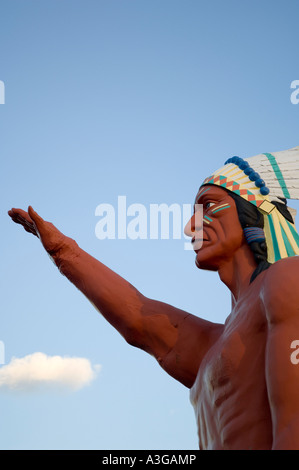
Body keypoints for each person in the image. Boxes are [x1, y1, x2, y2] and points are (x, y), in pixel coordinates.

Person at [8, 146, 299, 450]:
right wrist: (63, 251)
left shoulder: (288, 281)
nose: (191, 226)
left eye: (209, 207)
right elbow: (139, 318)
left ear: (253, 213)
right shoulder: (215, 345)